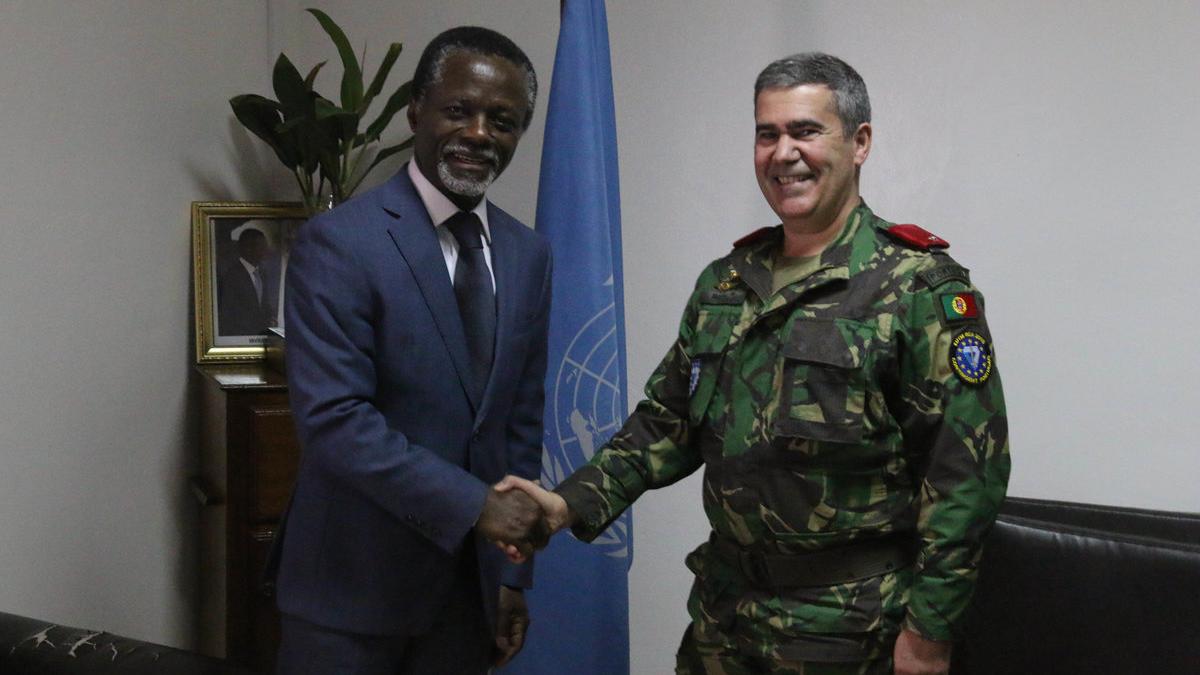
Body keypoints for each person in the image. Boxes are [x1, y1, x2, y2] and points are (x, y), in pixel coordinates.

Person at [499, 52, 1010, 675]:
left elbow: (964, 477)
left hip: (849, 629)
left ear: (860, 143)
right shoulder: (726, 285)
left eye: (805, 131)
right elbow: (665, 425)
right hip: (724, 619)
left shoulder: (918, 289)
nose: (783, 153)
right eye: (767, 134)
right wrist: (564, 505)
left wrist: (929, 634)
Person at [272, 26, 551, 675]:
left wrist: (512, 575)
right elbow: (335, 421)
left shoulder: (529, 254)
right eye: (459, 110)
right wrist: (478, 507)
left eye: (502, 121)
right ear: (415, 110)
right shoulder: (339, 243)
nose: (479, 133)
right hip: (348, 599)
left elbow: (520, 421)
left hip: (466, 602)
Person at [217, 226, 275, 336]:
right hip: (239, 336)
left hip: (260, 336)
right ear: (248, 248)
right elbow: (228, 313)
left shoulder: (262, 274)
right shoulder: (231, 276)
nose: (266, 250)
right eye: (261, 246)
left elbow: (263, 305)